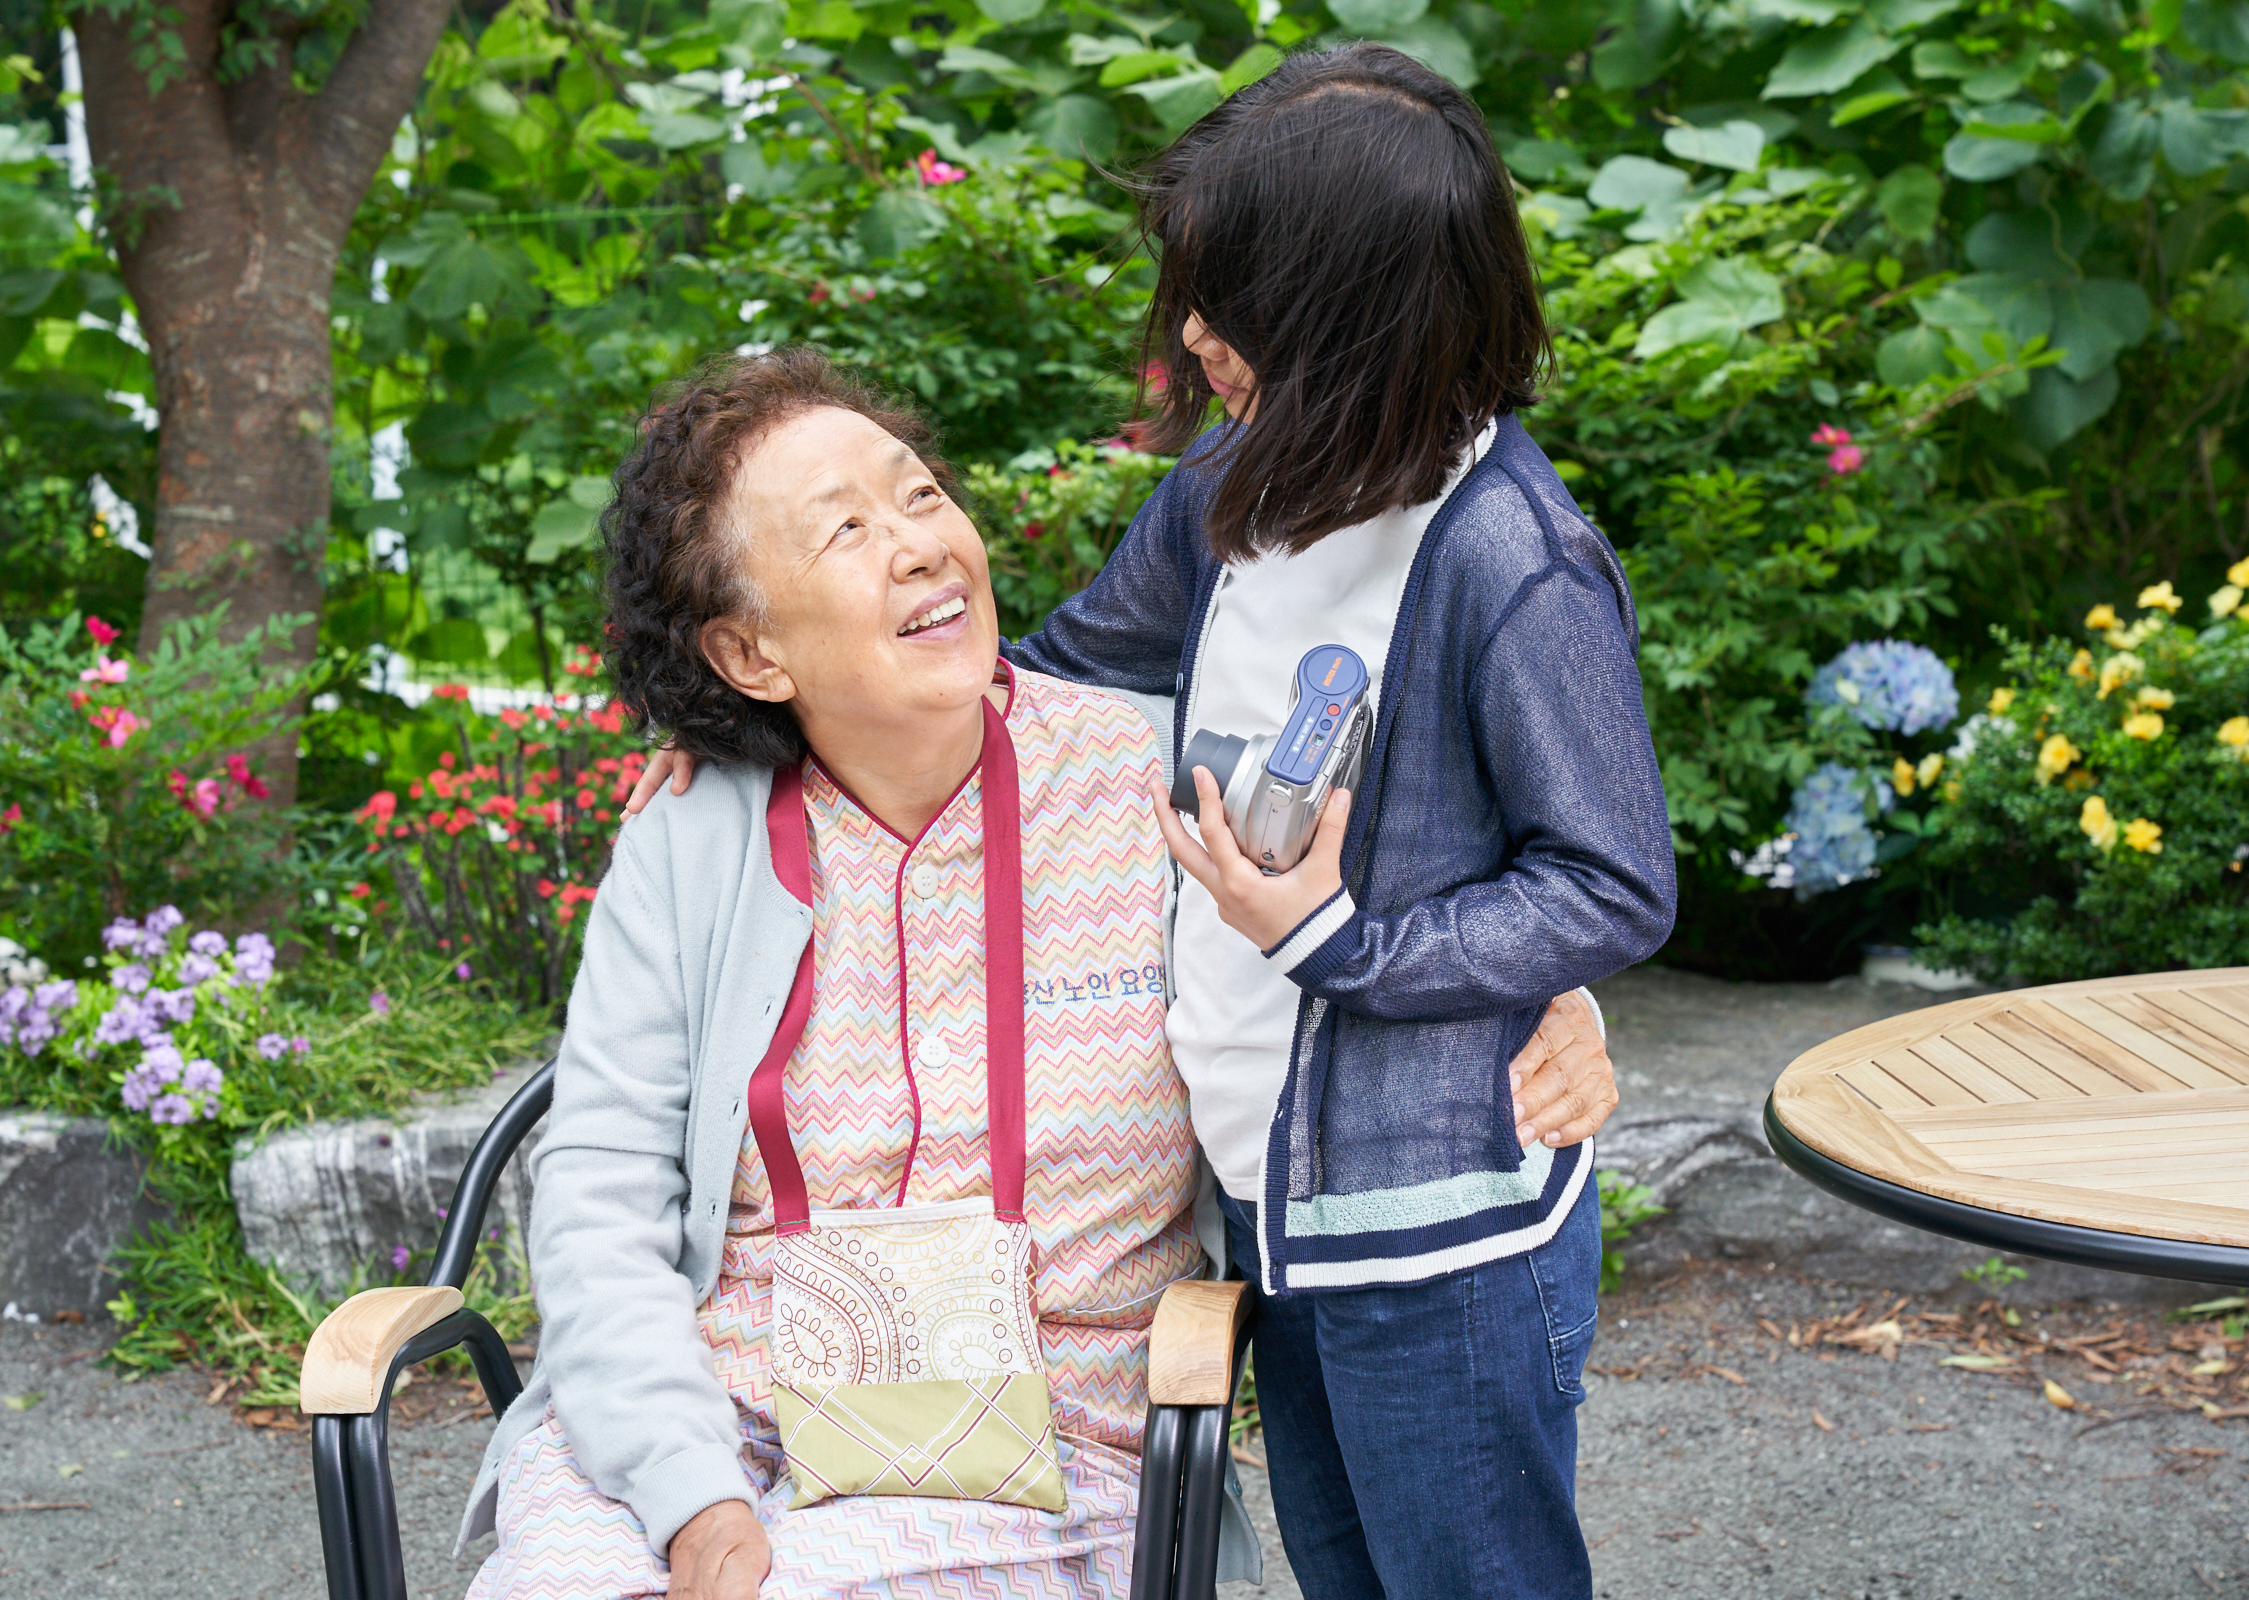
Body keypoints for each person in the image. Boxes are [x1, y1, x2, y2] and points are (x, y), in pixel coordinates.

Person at [630, 43, 1674, 1600]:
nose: (1191, 333)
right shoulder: (1236, 491)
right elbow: (1029, 691)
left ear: (1352, 326)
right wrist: (753, 734)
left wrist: (1352, 946)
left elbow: (1610, 883)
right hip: (1272, 1209)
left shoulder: (1512, 565)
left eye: (1229, 301)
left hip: (1442, 1229)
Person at [470, 348, 1625, 1600]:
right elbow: (599, 1200)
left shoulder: (1159, 786)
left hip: (1035, 1455)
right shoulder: (698, 833)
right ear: (751, 655)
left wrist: (1555, 998)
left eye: (919, 497)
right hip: (700, 1420)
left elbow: (1400, 893)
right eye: (845, 529)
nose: (916, 544)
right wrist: (691, 1502)